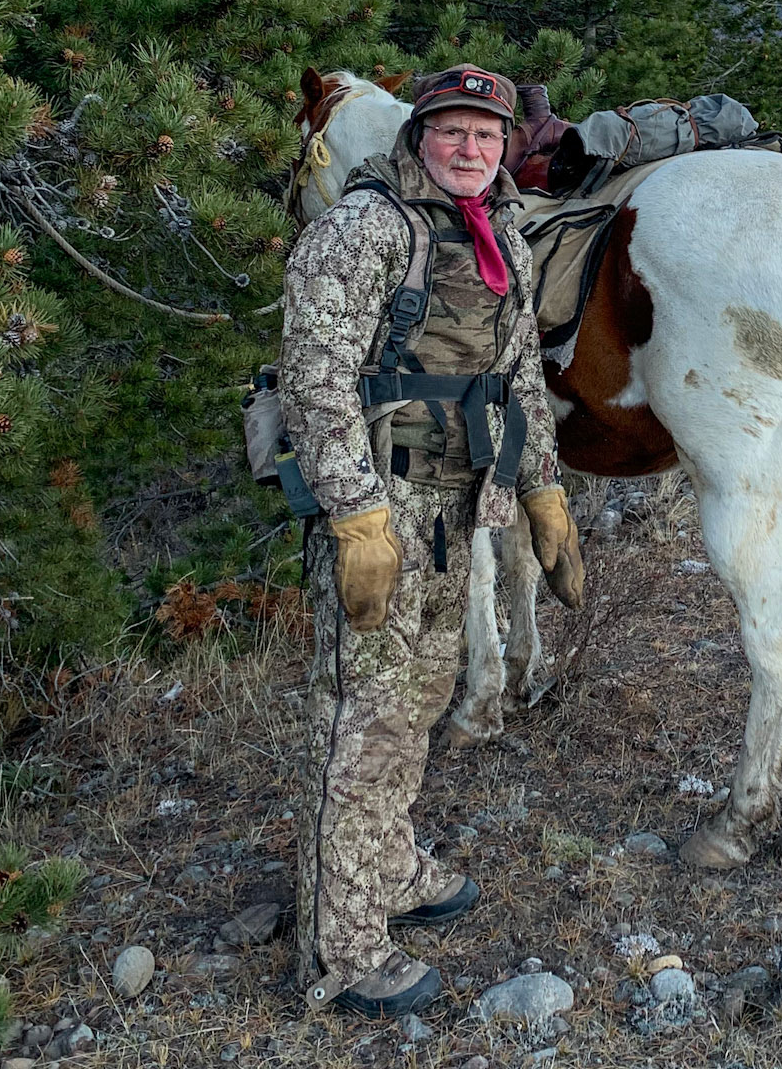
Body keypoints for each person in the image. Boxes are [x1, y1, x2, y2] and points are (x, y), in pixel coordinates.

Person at [279, 63, 585, 1020]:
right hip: (385, 501)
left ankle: (387, 869)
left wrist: (542, 491)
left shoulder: (500, 232)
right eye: (452, 130)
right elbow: (315, 376)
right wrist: (355, 516)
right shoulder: (362, 227)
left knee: (414, 703)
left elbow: (518, 373)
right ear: (418, 135)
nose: (470, 148)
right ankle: (340, 948)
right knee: (361, 718)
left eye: (487, 135)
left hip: (462, 503)